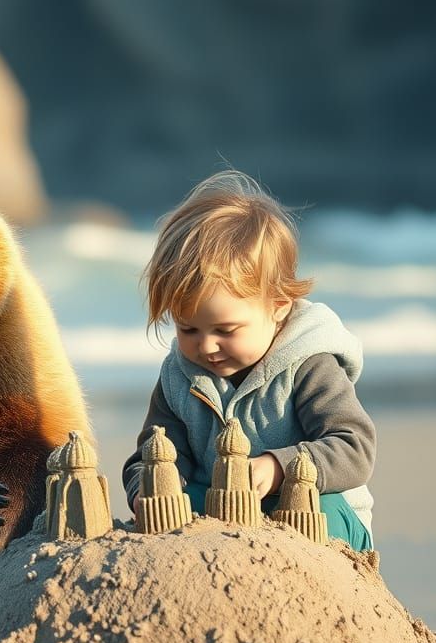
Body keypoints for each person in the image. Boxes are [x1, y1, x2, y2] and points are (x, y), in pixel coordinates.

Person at [122, 170, 375, 550]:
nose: (206, 347)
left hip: (318, 506)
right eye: (187, 330)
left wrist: (279, 468)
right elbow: (152, 453)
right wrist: (149, 486)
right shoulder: (179, 378)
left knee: (317, 510)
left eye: (225, 330)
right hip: (224, 511)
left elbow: (354, 446)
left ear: (278, 307)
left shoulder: (308, 364)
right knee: (174, 506)